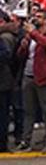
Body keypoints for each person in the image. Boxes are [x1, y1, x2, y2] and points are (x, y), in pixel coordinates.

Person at [16, 8, 46, 153]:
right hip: (28, 75)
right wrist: (23, 47)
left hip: (44, 76)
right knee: (28, 110)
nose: (36, 18)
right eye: (35, 16)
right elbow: (22, 55)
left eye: (39, 17)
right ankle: (26, 140)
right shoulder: (31, 35)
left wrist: (34, 33)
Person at [0, 10, 18, 153]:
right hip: (5, 81)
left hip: (3, 82)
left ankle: (2, 143)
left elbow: (7, 55)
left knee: (3, 114)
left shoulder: (4, 38)